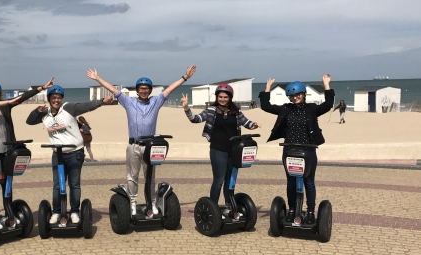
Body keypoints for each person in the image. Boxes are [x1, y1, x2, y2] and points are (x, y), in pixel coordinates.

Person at [87, 65, 196, 216]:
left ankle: (151, 202)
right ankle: (132, 202)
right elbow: (113, 90)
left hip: (151, 146)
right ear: (137, 90)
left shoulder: (156, 102)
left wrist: (185, 77)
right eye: (141, 88)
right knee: (132, 176)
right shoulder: (129, 102)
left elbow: (170, 89)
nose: (144, 91)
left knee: (150, 176)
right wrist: (97, 78)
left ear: (150, 90)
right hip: (134, 146)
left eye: (146, 88)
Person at [26, 86, 113, 224]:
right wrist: (36, 110)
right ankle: (56, 212)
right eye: (53, 98)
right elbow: (29, 121)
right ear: (49, 99)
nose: (56, 100)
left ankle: (74, 211)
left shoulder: (68, 108)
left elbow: (86, 106)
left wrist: (102, 101)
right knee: (57, 185)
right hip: (57, 154)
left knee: (74, 184)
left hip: (74, 153)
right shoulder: (45, 113)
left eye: (59, 98)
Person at [259, 75, 334, 225]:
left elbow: (328, 105)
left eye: (298, 94)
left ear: (303, 94)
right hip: (290, 151)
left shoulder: (312, 108)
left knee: (309, 182)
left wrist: (326, 85)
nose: (295, 98)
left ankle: (311, 212)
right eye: (292, 96)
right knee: (291, 182)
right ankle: (292, 210)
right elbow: (266, 106)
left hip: (308, 151)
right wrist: (267, 89)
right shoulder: (285, 109)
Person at [0, 78, 54, 229]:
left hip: (7, 151)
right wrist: (7, 102)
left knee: (6, 185)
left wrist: (41, 88)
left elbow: (22, 97)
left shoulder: (6, 108)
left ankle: (9, 215)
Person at [181, 84, 261, 217]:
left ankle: (230, 206)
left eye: (225, 97)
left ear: (230, 98)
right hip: (218, 149)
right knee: (219, 179)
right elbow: (195, 119)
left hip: (235, 150)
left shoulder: (236, 112)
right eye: (220, 97)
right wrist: (186, 108)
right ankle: (213, 207)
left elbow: (247, 123)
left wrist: (254, 125)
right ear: (217, 97)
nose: (223, 99)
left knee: (230, 179)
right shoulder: (211, 110)